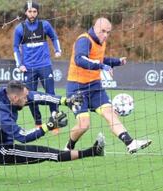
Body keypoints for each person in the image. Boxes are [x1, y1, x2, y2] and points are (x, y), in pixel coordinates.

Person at [0, 80, 104, 182]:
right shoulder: (0, 112)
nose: (27, 99)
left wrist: (65, 101)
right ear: (15, 98)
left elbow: (37, 96)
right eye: (24, 98)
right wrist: (47, 126)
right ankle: (93, 152)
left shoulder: (7, 95)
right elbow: (22, 137)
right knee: (47, 153)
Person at [64, 17, 152, 154]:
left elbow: (98, 59)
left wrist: (116, 62)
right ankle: (68, 148)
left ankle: (130, 143)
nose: (105, 35)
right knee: (84, 125)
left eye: (108, 32)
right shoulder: (84, 40)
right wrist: (102, 66)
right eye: (103, 31)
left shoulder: (101, 42)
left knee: (110, 113)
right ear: (95, 28)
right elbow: (80, 59)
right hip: (77, 88)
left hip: (95, 87)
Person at [13, 1, 62, 130]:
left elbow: (54, 37)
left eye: (34, 11)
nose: (32, 14)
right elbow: (15, 48)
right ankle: (38, 122)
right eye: (30, 11)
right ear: (25, 12)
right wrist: (19, 65)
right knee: (29, 96)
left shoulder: (45, 25)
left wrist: (57, 50)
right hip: (29, 68)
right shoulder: (20, 28)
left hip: (45, 65)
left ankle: (55, 121)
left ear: (37, 12)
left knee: (51, 94)